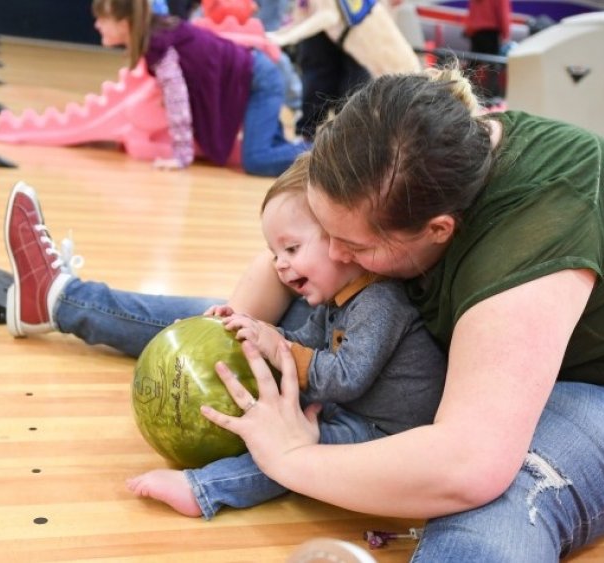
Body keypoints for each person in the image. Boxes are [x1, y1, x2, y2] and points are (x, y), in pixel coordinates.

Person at [4, 66, 604, 559]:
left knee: (491, 503)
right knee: (280, 324)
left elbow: (469, 462)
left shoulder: (543, 216)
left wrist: (292, 455)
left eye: (351, 246)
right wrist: (233, 344)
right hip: (470, 354)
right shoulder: (396, 145)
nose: (334, 254)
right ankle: (63, 301)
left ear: (438, 232)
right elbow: (266, 287)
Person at [124, 152, 447, 519]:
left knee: (295, 451)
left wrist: (278, 348)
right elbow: (300, 341)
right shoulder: (336, 301)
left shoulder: (380, 302)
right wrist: (254, 330)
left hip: (387, 432)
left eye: (291, 248)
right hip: (352, 408)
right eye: (274, 252)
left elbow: (345, 378)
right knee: (282, 430)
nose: (279, 263)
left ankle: (203, 489)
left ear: (341, 241)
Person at [91, 0, 309, 177]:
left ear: (123, 23)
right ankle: (320, 156)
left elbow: (177, 100)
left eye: (102, 19)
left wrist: (181, 155)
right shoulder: (159, 34)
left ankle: (328, 153)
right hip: (255, 76)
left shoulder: (159, 43)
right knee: (275, 149)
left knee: (257, 160)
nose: (97, 25)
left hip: (260, 79)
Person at [463, 0, 511, 100]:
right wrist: (506, 35)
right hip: (491, 34)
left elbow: (472, 12)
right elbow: (502, 13)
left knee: (472, 66)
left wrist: (468, 30)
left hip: (476, 33)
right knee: (493, 67)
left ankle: (463, 92)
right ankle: (491, 97)